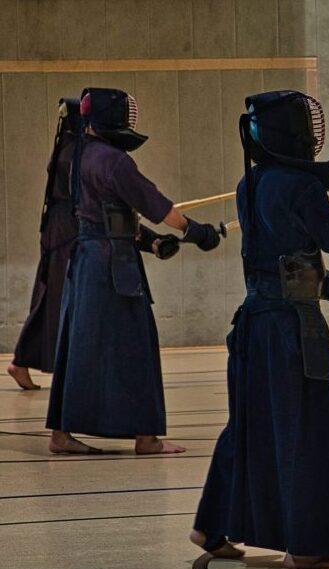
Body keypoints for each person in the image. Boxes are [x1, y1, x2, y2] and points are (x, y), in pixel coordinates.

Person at [190, 90, 329, 569]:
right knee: (309, 432)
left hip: (252, 326)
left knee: (249, 424)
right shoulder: (301, 186)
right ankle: (309, 545)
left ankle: (211, 524)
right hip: (291, 332)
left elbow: (281, 259)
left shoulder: (248, 184)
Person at [46, 88, 222, 455]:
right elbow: (154, 204)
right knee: (137, 348)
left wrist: (152, 242)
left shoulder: (76, 155)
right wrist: (196, 231)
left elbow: (108, 216)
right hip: (113, 267)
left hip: (85, 262)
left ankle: (61, 434)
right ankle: (147, 438)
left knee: (79, 347)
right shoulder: (115, 161)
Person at [7, 99, 80, 391]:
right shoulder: (75, 152)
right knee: (57, 297)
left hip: (57, 227)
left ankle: (22, 360)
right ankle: (24, 361)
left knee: (50, 296)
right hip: (66, 229)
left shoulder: (65, 145)